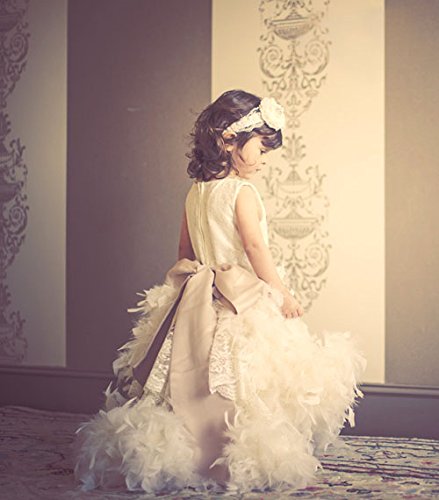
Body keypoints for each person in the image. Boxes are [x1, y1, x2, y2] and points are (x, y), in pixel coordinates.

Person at [74, 89, 366, 494]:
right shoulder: (242, 192)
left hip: (197, 299)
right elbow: (254, 246)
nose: (263, 160)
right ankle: (237, 452)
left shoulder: (195, 192)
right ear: (229, 140)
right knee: (242, 378)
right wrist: (280, 291)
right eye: (260, 149)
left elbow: (184, 252)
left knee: (186, 373)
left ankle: (186, 449)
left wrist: (190, 288)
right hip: (239, 300)